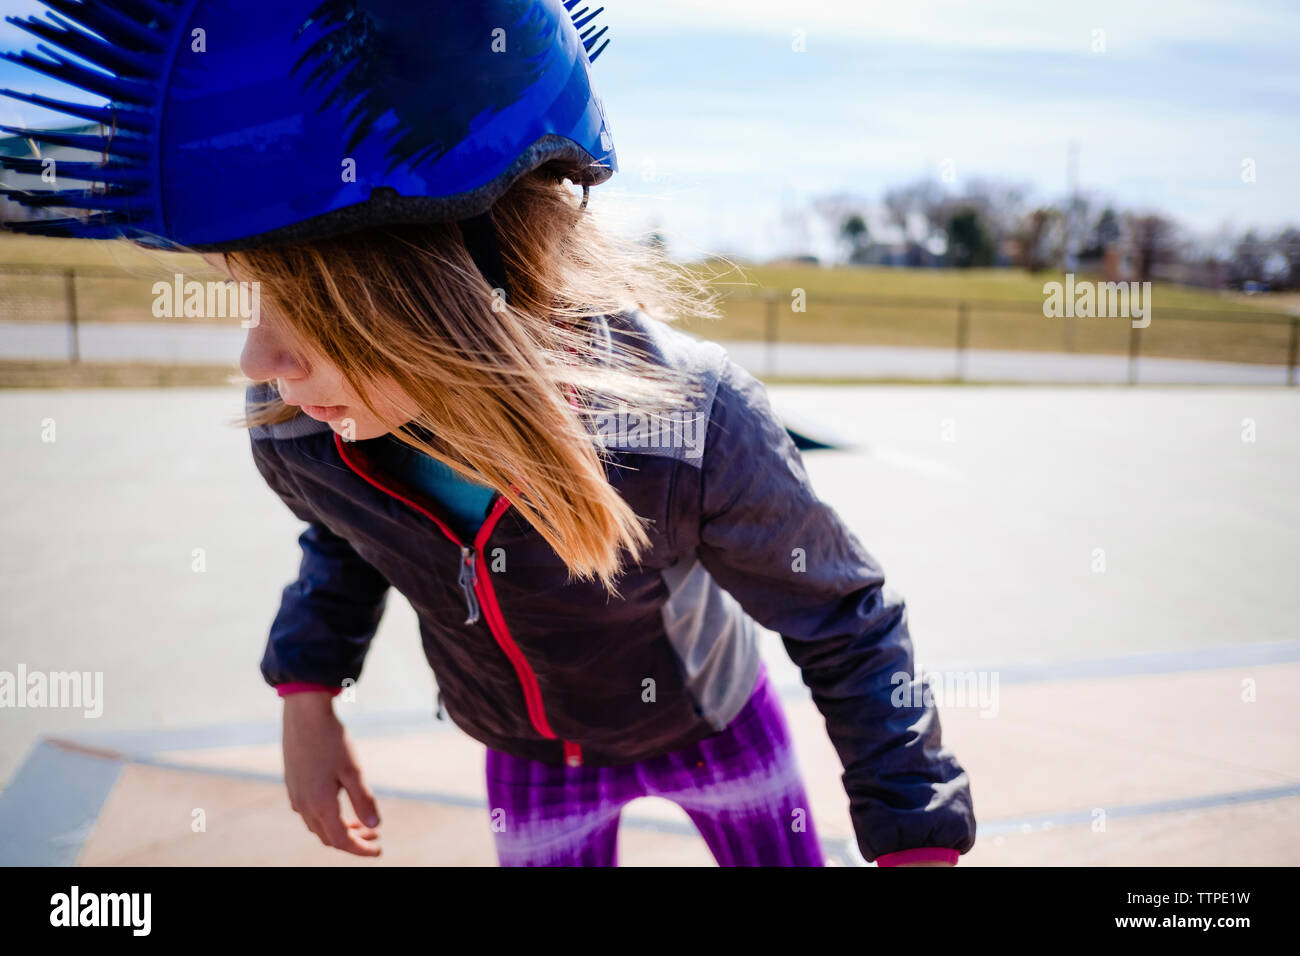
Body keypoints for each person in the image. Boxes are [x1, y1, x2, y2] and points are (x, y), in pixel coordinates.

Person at [1, 0, 975, 867]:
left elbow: (844, 619)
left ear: (450, 305)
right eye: (249, 296)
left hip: (711, 721)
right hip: (529, 751)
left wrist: (915, 831)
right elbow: (349, 535)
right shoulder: (301, 432)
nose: (259, 362)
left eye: (303, 308)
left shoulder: (686, 424)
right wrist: (307, 692)